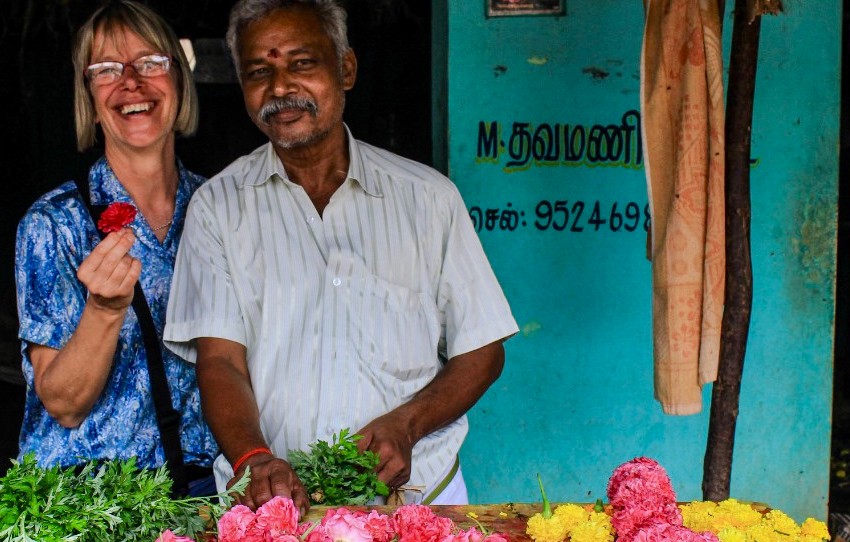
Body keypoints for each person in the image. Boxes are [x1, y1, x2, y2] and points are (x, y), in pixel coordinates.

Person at [164, 0, 518, 510]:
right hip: (277, 508)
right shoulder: (217, 208)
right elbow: (221, 362)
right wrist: (253, 458)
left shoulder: (428, 198)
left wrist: (407, 424)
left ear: (345, 68)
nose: (280, 87)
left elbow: (483, 349)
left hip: (418, 498)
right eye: (259, 71)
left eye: (302, 63)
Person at [15, 0, 218, 496]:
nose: (131, 82)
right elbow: (63, 403)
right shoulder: (54, 224)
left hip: (208, 497)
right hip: (87, 502)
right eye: (106, 69)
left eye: (150, 63)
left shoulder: (222, 210)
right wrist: (103, 311)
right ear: (89, 95)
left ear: (179, 78)